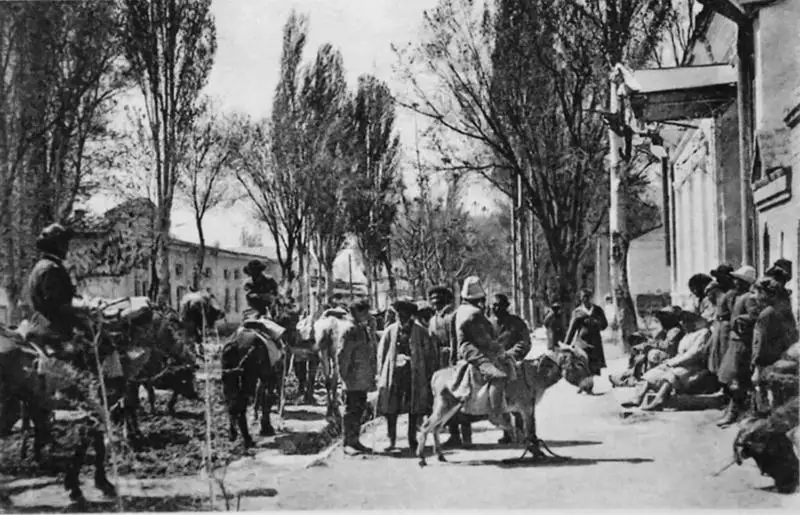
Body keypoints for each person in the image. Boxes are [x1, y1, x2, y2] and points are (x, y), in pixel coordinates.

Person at [376, 298, 437, 452]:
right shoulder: (390, 331)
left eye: (404, 315)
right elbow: (382, 353)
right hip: (394, 374)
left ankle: (412, 439)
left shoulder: (421, 332)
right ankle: (391, 440)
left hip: (413, 373)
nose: (401, 317)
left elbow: (429, 354)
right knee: (391, 408)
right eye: (398, 314)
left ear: (410, 315)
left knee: (413, 408)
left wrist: (427, 373)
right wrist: (381, 373)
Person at [454, 276, 514, 432]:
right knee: (498, 376)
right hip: (474, 352)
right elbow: (484, 340)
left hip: (466, 350)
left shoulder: (460, 311)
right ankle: (496, 414)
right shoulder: (475, 314)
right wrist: (500, 350)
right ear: (479, 298)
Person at [427, 285, 472, 449]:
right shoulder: (432, 320)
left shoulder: (454, 315)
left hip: (456, 361)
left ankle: (466, 435)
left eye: (439, 300)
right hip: (440, 362)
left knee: (462, 395)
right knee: (446, 399)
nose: (435, 303)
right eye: (433, 301)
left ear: (447, 300)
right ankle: (454, 435)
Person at [716, 265, 761, 426]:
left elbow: (754, 316)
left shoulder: (748, 298)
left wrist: (740, 319)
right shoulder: (738, 296)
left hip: (742, 342)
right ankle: (735, 411)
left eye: (738, 279)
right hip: (735, 340)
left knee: (738, 379)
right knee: (732, 378)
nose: (734, 281)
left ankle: (735, 413)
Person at [750, 277, 799, 410]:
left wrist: (756, 366)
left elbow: (760, 343)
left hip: (767, 363)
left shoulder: (767, 314)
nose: (755, 297)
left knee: (765, 399)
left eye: (759, 293)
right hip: (783, 360)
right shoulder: (784, 310)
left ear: (769, 295)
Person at [336, 298, 377, 455]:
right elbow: (343, 356)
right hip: (352, 378)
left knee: (359, 409)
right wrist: (344, 378)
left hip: (361, 378)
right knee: (351, 411)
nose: (368, 315)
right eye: (365, 312)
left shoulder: (360, 328)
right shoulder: (349, 330)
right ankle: (348, 443)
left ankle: (355, 440)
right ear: (358, 312)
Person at [490, 293, 531, 443]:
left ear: (506, 306)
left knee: (518, 399)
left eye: (498, 305)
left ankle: (520, 431)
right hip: (495, 367)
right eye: (493, 305)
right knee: (500, 399)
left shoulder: (517, 323)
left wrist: (511, 355)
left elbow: (524, 342)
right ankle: (507, 432)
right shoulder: (488, 324)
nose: (495, 308)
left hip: (514, 365)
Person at [564, 289, 608, 393]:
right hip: (581, 342)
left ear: (591, 297)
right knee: (582, 363)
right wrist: (566, 344)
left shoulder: (597, 310)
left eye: (588, 297)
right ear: (580, 299)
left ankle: (587, 385)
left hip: (595, 342)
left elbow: (604, 325)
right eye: (583, 297)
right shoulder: (577, 312)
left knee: (593, 365)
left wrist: (597, 323)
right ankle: (584, 384)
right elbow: (572, 329)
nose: (586, 299)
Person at [707, 264, 737, 376]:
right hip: (718, 323)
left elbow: (732, 311)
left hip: (726, 324)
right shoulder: (718, 290)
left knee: (725, 351)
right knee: (715, 352)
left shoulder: (731, 293)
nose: (718, 279)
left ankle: (726, 381)